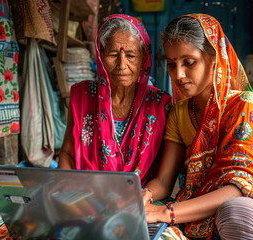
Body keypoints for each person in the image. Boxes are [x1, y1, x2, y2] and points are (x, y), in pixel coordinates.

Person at [142, 14, 253, 240]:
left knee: (237, 213)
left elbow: (239, 188)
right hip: (193, 210)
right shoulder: (179, 113)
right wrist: (144, 195)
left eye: (189, 62)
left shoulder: (244, 106)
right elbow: (164, 182)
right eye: (171, 64)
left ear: (213, 58)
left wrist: (166, 213)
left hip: (239, 213)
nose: (178, 74)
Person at [59, 14, 172, 185]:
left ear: (143, 59)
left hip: (140, 199)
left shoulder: (160, 105)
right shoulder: (82, 96)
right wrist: (67, 189)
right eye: (113, 54)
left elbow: (162, 175)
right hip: (87, 194)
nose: (122, 65)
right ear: (100, 56)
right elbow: (67, 154)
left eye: (131, 56)